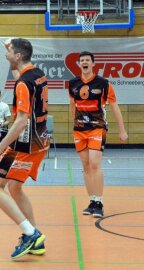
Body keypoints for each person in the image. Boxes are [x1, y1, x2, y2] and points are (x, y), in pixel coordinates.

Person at [0, 38, 48, 259]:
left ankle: (30, 233)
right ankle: (36, 241)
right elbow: (20, 80)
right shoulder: (37, 74)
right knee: (15, 188)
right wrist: (8, 46)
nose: (6, 55)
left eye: (9, 52)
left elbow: (21, 120)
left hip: (24, 145)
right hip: (41, 142)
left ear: (18, 56)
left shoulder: (23, 84)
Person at [69, 51, 128, 218]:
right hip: (79, 129)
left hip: (97, 127)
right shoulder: (73, 83)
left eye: (88, 60)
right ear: (79, 64)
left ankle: (100, 202)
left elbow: (115, 107)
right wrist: (75, 119)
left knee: (95, 164)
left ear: (93, 64)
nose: (85, 62)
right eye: (82, 60)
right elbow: (72, 104)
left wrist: (122, 130)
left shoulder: (104, 83)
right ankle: (92, 201)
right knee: (86, 166)